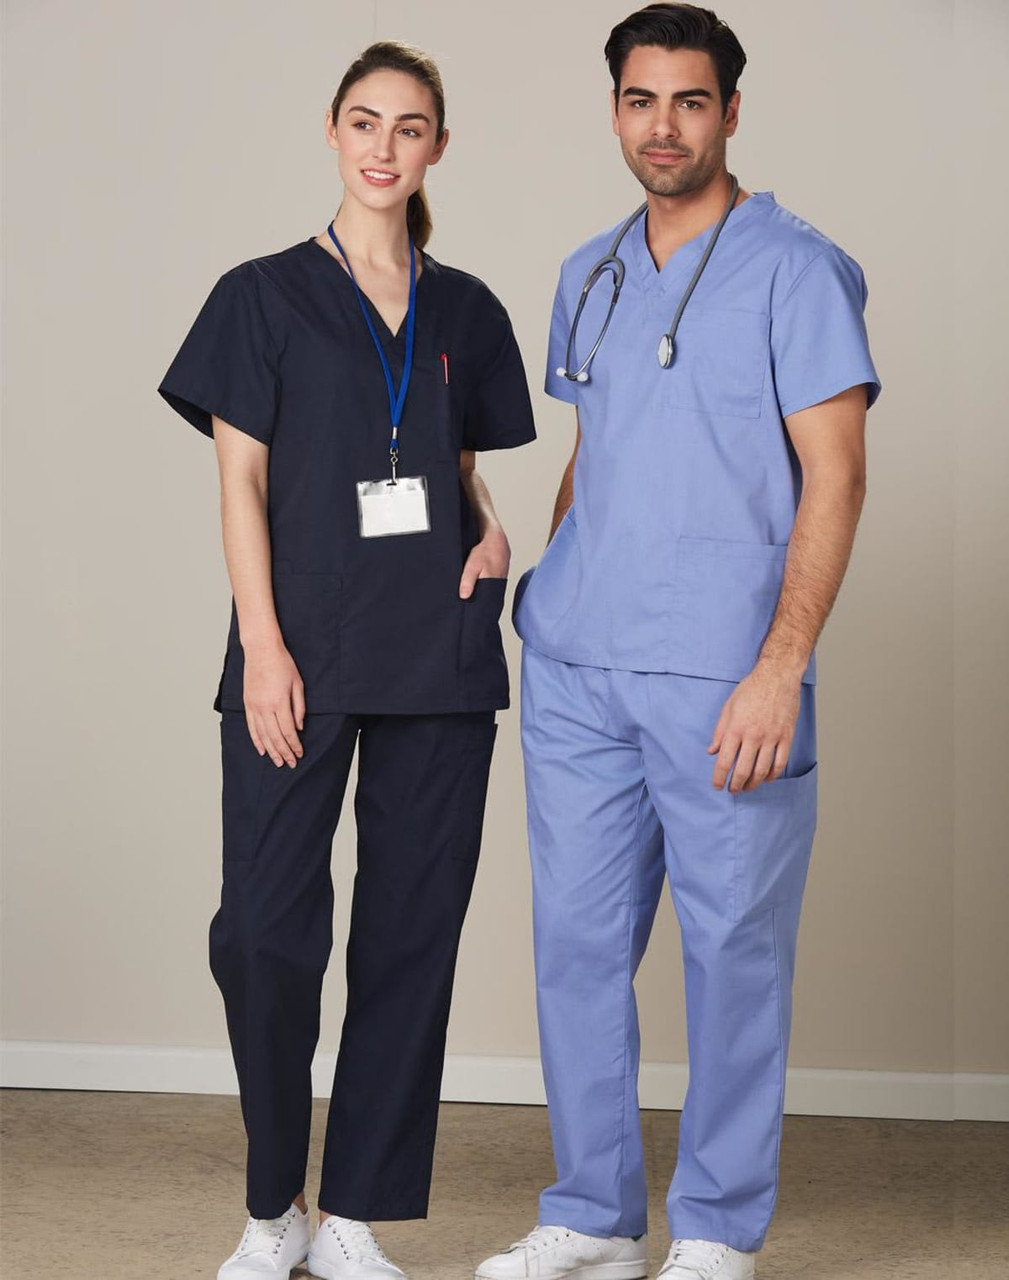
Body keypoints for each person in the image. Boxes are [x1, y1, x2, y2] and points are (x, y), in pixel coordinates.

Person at [476, 5, 880, 1280]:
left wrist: (780, 665)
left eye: (690, 101)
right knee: (579, 946)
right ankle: (592, 1212)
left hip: (723, 677)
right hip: (580, 664)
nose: (664, 126)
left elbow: (836, 476)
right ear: (614, 112)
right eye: (641, 101)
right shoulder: (588, 271)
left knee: (731, 954)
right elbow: (597, 452)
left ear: (730, 114)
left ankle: (713, 1229)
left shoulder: (797, 268)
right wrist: (541, 590)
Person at [158, 40, 536, 1280]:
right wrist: (262, 646)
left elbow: (456, 463)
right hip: (299, 650)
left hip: (436, 645)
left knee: (410, 934)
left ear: (438, 145)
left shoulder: (467, 309)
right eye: (363, 122)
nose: (383, 147)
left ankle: (357, 1215)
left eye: (409, 127)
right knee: (264, 932)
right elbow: (241, 485)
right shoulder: (259, 295)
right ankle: (276, 1208)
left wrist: (487, 520)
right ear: (331, 132)